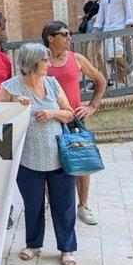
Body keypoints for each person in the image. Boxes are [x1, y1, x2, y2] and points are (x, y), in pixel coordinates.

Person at [0, 43, 77, 265]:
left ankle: (67, 248)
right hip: (27, 158)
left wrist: (52, 113)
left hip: (59, 156)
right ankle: (33, 244)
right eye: (45, 60)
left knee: (64, 204)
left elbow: (69, 113)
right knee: (33, 204)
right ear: (33, 63)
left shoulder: (52, 83)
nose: (49, 64)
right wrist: (14, 105)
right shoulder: (11, 87)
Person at [42, 21, 107, 226]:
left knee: (82, 161)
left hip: (75, 120)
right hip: (50, 119)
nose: (69, 37)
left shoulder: (76, 59)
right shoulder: (41, 61)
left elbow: (101, 80)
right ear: (51, 38)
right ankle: (50, 204)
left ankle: (83, 205)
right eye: (64, 34)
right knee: (49, 163)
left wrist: (92, 106)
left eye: (69, 33)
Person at [93, 0, 133, 84]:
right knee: (111, 59)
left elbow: (130, 12)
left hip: (119, 30)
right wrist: (95, 29)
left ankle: (131, 73)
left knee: (114, 54)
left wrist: (127, 30)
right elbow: (100, 17)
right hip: (107, 31)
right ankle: (121, 82)